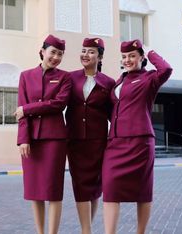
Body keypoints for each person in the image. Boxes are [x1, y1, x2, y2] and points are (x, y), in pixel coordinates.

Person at [102, 39, 173, 234]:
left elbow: (166, 69)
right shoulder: (120, 79)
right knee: (109, 189)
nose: (127, 60)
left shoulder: (149, 78)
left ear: (141, 58)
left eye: (132, 56)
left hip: (139, 142)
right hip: (115, 142)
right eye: (124, 57)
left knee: (142, 191)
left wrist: (150, 51)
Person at [14, 34, 71, 234]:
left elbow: (58, 105)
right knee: (34, 191)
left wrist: (28, 109)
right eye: (53, 52)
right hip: (31, 141)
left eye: (60, 54)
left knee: (53, 191)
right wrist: (23, 139)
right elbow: (20, 114)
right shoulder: (25, 76)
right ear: (43, 52)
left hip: (54, 139)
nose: (56, 57)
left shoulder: (65, 77)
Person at [65, 38, 115, 234]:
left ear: (100, 56)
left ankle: (88, 227)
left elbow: (114, 114)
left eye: (91, 51)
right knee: (80, 185)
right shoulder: (69, 78)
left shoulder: (108, 82)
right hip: (75, 140)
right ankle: (86, 230)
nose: (86, 54)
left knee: (94, 187)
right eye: (83, 50)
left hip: (98, 142)